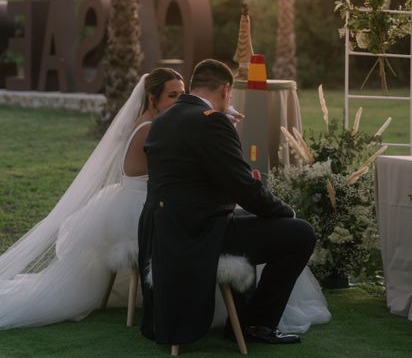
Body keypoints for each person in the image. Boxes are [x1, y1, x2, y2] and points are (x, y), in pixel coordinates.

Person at [139, 59, 317, 347]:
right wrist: (286, 212)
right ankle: (257, 324)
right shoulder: (210, 121)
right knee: (300, 234)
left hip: (167, 231)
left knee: (252, 220)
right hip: (199, 234)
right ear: (225, 90)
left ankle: (247, 317)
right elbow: (244, 187)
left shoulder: (164, 120)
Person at [0, 68, 184, 329]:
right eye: (172, 96)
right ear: (153, 99)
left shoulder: (148, 122)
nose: (180, 101)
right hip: (138, 207)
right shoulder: (151, 129)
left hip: (127, 200)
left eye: (183, 95)